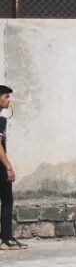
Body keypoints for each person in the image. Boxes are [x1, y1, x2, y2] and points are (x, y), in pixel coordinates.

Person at [0, 85, 22, 250]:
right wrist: (8, 167)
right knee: (7, 200)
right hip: (0, 165)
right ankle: (7, 239)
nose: (9, 99)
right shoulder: (0, 120)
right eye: (6, 96)